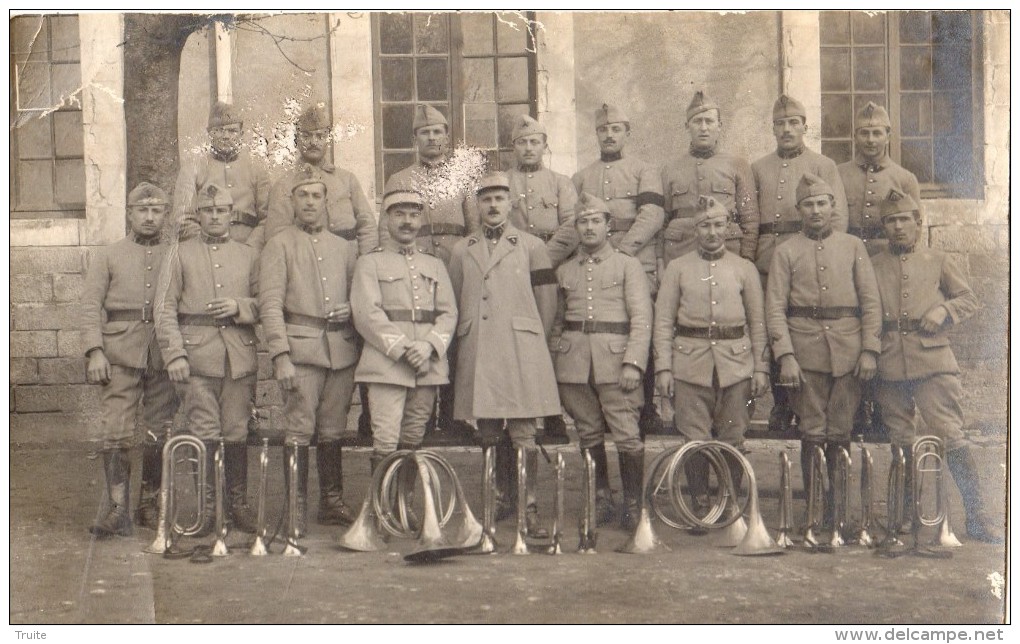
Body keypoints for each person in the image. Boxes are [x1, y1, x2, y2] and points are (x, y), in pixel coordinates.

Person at [871, 192, 1001, 543]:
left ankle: (977, 516)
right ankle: (903, 519)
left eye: (904, 220)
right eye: (891, 221)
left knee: (950, 434)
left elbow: (969, 298)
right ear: (883, 227)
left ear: (918, 223)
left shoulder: (937, 259)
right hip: (889, 364)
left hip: (933, 361)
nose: (898, 227)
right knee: (900, 441)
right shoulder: (873, 263)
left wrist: (944, 311)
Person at [448, 172, 560, 536]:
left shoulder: (531, 246)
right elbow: (454, 297)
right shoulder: (462, 249)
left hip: (520, 351)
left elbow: (546, 300)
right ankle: (496, 501)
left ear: (510, 203)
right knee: (489, 431)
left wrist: (532, 339)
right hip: (479, 348)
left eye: (499, 198)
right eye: (486, 200)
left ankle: (528, 508)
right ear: (477, 206)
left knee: (525, 432)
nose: (493, 206)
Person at [765, 173, 881, 525]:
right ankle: (816, 510)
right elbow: (774, 308)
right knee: (812, 431)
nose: (816, 210)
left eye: (822, 203)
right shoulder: (785, 251)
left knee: (841, 431)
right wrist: (785, 355)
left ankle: (840, 512)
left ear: (833, 206)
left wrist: (870, 350)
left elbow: (871, 302)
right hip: (805, 354)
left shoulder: (853, 246)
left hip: (848, 353)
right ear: (798, 209)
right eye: (808, 204)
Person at [260, 167, 362, 532]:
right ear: (292, 201)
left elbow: (359, 296)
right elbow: (270, 304)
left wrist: (352, 309)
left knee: (333, 429)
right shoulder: (279, 245)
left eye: (316, 196)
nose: (309, 202)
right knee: (300, 429)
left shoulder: (345, 248)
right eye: (302, 195)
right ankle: (295, 506)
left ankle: (331, 502)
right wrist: (280, 355)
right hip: (301, 351)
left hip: (341, 350)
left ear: (326, 202)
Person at [654, 195, 768, 518]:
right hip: (690, 364)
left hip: (736, 366)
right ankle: (699, 504)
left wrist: (761, 369)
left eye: (718, 225)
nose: (712, 232)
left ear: (729, 228)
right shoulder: (677, 268)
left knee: (733, 436)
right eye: (705, 225)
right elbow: (663, 322)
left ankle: (729, 502)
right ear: (696, 229)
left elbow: (757, 323)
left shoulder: (744, 269)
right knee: (693, 437)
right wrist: (663, 368)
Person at [156, 182, 259, 535]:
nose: (215, 216)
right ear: (197, 215)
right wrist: (174, 355)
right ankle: (208, 507)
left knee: (236, 431)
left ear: (232, 214)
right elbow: (164, 309)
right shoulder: (179, 254)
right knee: (204, 431)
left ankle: (237, 503)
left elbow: (268, 303)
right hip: (196, 359)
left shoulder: (248, 255)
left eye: (222, 210)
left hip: (238, 360)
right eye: (208, 211)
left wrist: (240, 307)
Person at [81, 182, 181, 536]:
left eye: (157, 211)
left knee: (159, 430)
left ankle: (150, 503)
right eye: (143, 210)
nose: (150, 217)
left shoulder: (175, 254)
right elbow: (91, 306)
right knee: (115, 431)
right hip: (118, 353)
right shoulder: (108, 255)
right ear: (129, 213)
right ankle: (117, 507)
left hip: (161, 353)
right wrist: (94, 350)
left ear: (166, 214)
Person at [550, 192, 652, 529]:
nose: (590, 227)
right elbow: (556, 323)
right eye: (583, 221)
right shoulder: (564, 271)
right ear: (575, 228)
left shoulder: (628, 265)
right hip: (573, 364)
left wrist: (634, 363)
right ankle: (601, 498)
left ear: (608, 226)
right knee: (588, 434)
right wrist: (554, 363)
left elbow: (641, 318)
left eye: (596, 221)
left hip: (616, 362)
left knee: (627, 435)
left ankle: (634, 505)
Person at [752, 95, 849, 433]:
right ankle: (781, 405)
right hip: (767, 259)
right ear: (773, 129)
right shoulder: (759, 167)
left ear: (806, 126)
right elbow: (751, 220)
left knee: (801, 328)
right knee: (773, 327)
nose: (787, 129)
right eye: (781, 124)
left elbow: (837, 219)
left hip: (808, 257)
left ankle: (803, 405)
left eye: (794, 123)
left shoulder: (823, 165)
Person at [385, 104, 480, 439]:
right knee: (419, 332)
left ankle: (452, 416)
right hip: (416, 265)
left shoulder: (463, 178)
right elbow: (390, 227)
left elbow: (475, 229)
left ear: (446, 136)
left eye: (438, 131)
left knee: (451, 335)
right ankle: (421, 417)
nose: (432, 137)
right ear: (415, 138)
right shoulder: (400, 179)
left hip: (454, 267)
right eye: (425, 132)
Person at [573, 103, 664, 437]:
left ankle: (646, 407)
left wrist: (620, 254)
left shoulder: (644, 170)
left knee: (642, 327)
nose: (608, 135)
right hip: (595, 266)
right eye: (602, 130)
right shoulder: (582, 178)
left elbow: (652, 216)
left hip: (637, 261)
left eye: (615, 129)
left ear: (628, 133)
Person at [351, 187, 457, 473]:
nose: (407, 221)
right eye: (399, 214)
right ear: (386, 220)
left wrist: (428, 346)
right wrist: (401, 349)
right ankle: (383, 512)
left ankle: (403, 507)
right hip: (386, 364)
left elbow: (449, 313)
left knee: (413, 438)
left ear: (421, 221)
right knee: (385, 439)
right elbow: (366, 314)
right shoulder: (369, 262)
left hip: (427, 364)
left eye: (413, 215)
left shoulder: (434, 264)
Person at [838, 101, 922, 438]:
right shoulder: (839, 173)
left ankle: (881, 408)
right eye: (864, 133)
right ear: (855, 135)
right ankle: (857, 406)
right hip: (849, 260)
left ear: (888, 135)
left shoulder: (904, 178)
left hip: (885, 259)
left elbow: (916, 228)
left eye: (877, 132)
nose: (870, 139)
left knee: (884, 328)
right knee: (852, 325)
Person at [260, 101, 378, 255]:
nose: (313, 142)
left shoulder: (347, 180)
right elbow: (276, 234)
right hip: (307, 260)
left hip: (350, 260)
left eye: (320, 136)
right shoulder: (284, 185)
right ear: (296, 140)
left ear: (328, 139)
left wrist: (365, 261)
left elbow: (367, 225)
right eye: (306, 136)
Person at [661, 90, 758, 265]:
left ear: (719, 126)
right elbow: (663, 220)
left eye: (709, 121)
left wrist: (747, 257)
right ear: (686, 126)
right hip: (680, 251)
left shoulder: (738, 164)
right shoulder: (670, 169)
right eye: (697, 121)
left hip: (728, 250)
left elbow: (749, 217)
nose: (704, 128)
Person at [173, 101, 270, 244]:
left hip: (247, 245)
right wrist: (206, 246)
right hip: (205, 248)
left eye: (232, 131)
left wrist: (252, 246)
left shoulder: (256, 169)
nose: (225, 136)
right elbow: (182, 218)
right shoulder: (193, 169)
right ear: (209, 134)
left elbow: (268, 218)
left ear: (241, 134)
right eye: (218, 130)